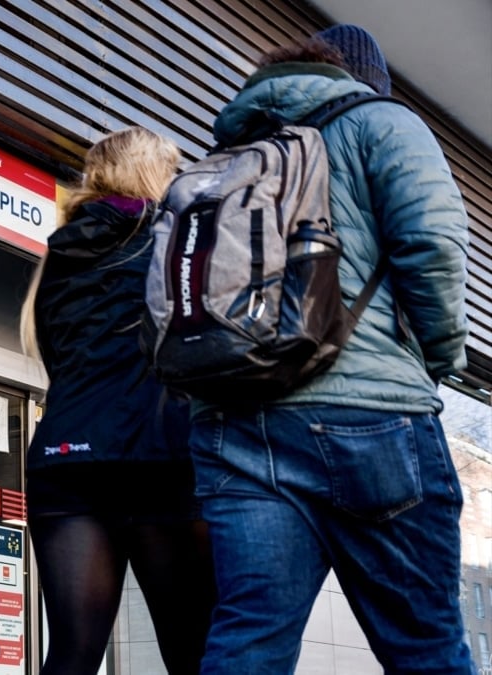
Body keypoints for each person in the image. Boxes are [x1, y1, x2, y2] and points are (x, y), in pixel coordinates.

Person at [190, 24, 474, 674]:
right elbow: (432, 246)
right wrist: (438, 357)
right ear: (364, 79)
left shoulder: (228, 153)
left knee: (249, 642)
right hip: (369, 416)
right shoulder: (382, 122)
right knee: (424, 645)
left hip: (233, 420)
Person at [20, 127, 215, 675]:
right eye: (171, 170)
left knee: (73, 652)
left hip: (66, 462)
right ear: (153, 174)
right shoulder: (174, 241)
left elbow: (63, 363)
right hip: (158, 461)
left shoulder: (60, 255)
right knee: (192, 653)